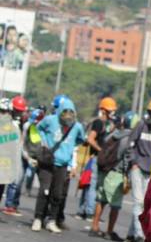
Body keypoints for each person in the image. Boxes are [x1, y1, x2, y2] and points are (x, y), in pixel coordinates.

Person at [31, 97, 85, 233]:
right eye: (65, 113)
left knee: (57, 194)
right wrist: (43, 142)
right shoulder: (50, 120)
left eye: (70, 114)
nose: (67, 117)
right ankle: (38, 218)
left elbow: (81, 139)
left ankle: (52, 220)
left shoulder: (77, 126)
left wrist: (68, 148)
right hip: (48, 162)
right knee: (44, 190)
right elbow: (37, 129)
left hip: (63, 164)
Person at [89, 114, 133, 242]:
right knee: (115, 204)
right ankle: (109, 231)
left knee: (101, 199)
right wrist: (126, 175)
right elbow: (125, 157)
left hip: (105, 170)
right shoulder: (128, 138)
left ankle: (94, 227)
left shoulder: (115, 134)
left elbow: (103, 145)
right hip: (116, 172)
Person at [125, 100, 151, 242]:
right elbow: (129, 145)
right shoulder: (141, 125)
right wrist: (133, 162)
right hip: (137, 167)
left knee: (145, 205)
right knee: (138, 202)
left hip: (150, 170)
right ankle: (139, 236)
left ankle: (131, 235)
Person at [76, 96, 117, 221]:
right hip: (96, 158)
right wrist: (101, 151)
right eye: (111, 110)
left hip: (99, 158)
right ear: (104, 110)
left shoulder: (109, 124)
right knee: (93, 185)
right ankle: (89, 212)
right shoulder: (99, 123)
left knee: (90, 185)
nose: (113, 113)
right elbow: (90, 139)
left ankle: (82, 210)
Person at [2, 95, 29, 216]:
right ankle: (9, 204)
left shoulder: (20, 123)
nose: (18, 113)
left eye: (20, 111)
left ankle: (10, 205)